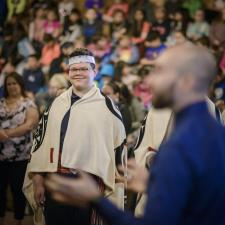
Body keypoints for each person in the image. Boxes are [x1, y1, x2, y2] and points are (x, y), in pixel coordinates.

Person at [46, 43, 225, 225]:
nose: (149, 81)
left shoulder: (181, 145)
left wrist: (95, 199)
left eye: (160, 72)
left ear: (187, 80)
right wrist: (153, 183)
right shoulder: (211, 130)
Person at [23, 48, 126, 225]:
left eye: (84, 69)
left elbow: (117, 152)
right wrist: (39, 180)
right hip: (55, 180)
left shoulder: (108, 107)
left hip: (88, 184)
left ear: (95, 71)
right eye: (74, 69)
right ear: (68, 72)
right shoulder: (57, 103)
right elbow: (41, 143)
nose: (78, 73)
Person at [0, 72, 39, 225]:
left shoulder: (28, 103)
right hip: (1, 156)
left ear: (20, 85)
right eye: (9, 84)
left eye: (14, 83)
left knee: (18, 191)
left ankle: (18, 221)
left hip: (21, 156)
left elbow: (29, 125)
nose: (12, 86)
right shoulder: (1, 102)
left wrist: (5, 134)